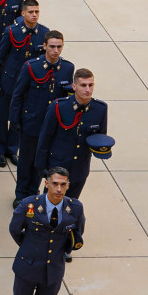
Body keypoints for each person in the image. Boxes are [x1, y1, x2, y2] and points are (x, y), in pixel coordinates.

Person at [6, 168, 84, 295]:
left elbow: (77, 234)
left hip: (53, 270)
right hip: (28, 266)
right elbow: (15, 230)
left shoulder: (74, 208)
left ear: (68, 186)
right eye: (55, 184)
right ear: (46, 184)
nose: (59, 189)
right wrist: (29, 248)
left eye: (63, 184)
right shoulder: (29, 205)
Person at [10, 32, 73, 206]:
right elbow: (18, 94)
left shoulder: (68, 68)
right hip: (32, 122)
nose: (55, 50)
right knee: (26, 160)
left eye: (59, 46)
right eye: (52, 46)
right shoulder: (31, 66)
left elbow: (65, 99)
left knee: (42, 162)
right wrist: (14, 119)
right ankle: (21, 194)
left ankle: (33, 192)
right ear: (44, 46)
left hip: (53, 126)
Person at [35, 69, 107, 200]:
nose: (88, 89)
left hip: (80, 168)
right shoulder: (58, 106)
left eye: (90, 85)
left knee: (70, 207)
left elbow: (100, 138)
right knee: (50, 206)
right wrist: (41, 166)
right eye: (83, 85)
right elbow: (45, 137)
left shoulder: (100, 109)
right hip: (58, 166)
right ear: (74, 87)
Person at [0, 0, 48, 167]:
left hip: (30, 85)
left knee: (19, 118)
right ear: (23, 13)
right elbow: (0, 56)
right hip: (10, 82)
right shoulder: (12, 31)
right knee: (3, 117)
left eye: (37, 12)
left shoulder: (44, 33)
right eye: (31, 12)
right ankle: (1, 150)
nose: (34, 15)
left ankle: (12, 148)